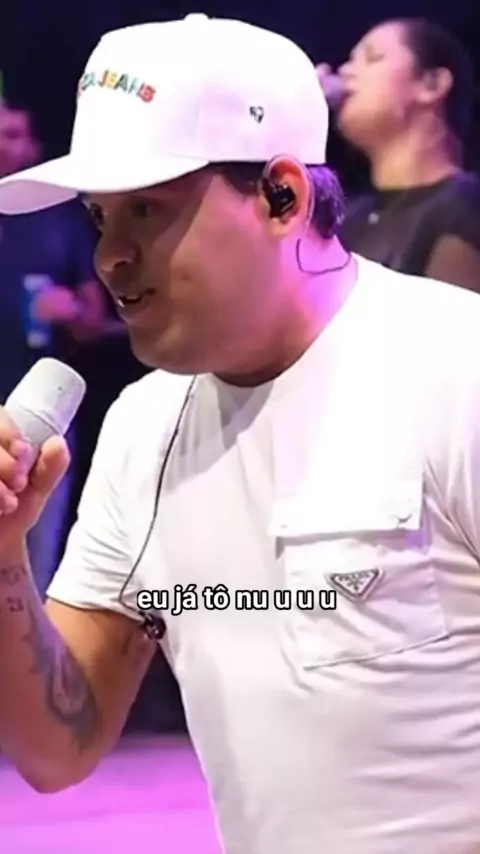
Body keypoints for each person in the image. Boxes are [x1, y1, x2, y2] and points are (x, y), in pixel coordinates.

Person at [1, 14, 480, 854]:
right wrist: (4, 555)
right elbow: (55, 748)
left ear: (282, 196)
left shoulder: (454, 368)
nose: (111, 257)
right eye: (100, 218)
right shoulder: (142, 428)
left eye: (146, 209)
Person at [0, 99, 107, 596]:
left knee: (30, 566)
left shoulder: (58, 220)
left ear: (33, 145)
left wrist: (72, 309)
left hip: (38, 423)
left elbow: (95, 321)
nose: (5, 145)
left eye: (14, 134)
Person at [320, 18, 480, 288]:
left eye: (373, 58)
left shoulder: (465, 205)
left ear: (432, 84)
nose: (345, 71)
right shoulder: (346, 218)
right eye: (349, 61)